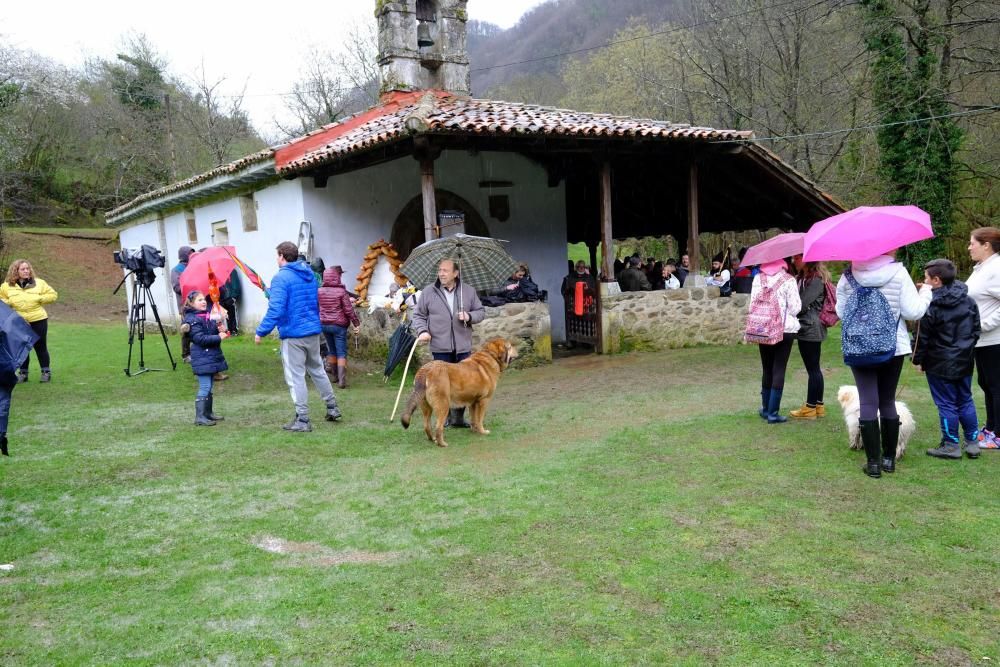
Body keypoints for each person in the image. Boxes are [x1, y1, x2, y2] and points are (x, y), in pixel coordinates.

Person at [837, 252, 932, 478]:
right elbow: (913, 311)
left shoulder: (848, 275)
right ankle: (889, 459)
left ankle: (872, 464)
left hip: (859, 346)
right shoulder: (898, 272)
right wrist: (926, 293)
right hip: (893, 346)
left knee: (868, 401)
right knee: (887, 400)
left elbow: (842, 311)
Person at [255, 241, 342, 432]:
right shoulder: (309, 274)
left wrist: (261, 331)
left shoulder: (281, 278)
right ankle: (332, 408)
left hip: (293, 334)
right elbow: (301, 300)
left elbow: (276, 309)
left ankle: (302, 419)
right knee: (317, 370)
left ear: (282, 256)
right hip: (312, 331)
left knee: (296, 377)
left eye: (277, 255)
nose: (276, 259)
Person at [912, 259, 981, 459]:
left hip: (940, 362)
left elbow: (922, 338)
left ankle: (951, 444)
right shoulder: (969, 301)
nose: (924, 281)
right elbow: (976, 330)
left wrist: (918, 360)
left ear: (936, 280)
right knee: (965, 399)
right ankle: (972, 442)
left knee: (947, 403)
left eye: (926, 278)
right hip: (963, 360)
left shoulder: (930, 304)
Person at [411, 258, 485, 428]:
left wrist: (469, 316)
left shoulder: (468, 291)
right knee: (441, 385)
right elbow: (419, 315)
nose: (441, 273)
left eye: (445, 270)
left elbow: (481, 311)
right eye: (440, 270)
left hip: (463, 346)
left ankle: (458, 419)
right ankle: (443, 418)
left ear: (455, 273)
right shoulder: (429, 292)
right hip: (440, 346)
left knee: (462, 383)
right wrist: (422, 331)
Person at [751, 259, 801, 423]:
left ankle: (765, 409)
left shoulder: (758, 278)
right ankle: (773, 413)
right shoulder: (788, 280)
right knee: (779, 368)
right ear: (782, 264)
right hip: (784, 329)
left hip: (763, 328)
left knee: (767, 368)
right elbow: (795, 308)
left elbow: (752, 303)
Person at [965, 227, 1000, 449]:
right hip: (981, 340)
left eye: (972, 243)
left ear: (986, 245)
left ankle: (998, 434)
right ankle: (989, 427)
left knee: (997, 385)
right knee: (986, 383)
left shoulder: (996, 268)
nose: (969, 247)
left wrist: (985, 325)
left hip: (995, 339)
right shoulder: (982, 268)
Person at [0, 260, 58, 383]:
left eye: (27, 268)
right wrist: (9, 302)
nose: (26, 271)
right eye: (23, 269)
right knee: (22, 347)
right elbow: (1, 299)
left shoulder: (39, 283)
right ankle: (23, 373)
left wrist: (39, 298)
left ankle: (46, 372)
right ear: (16, 271)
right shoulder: (6, 286)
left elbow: (53, 295)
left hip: (38, 319)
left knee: (40, 346)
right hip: (18, 321)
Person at [789, 255, 831, 420]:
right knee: (814, 368)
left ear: (808, 259)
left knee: (812, 369)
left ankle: (810, 407)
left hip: (811, 328)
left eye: (797, 258)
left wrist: (789, 306)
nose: (794, 261)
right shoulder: (805, 278)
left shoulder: (815, 280)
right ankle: (818, 405)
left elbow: (802, 303)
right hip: (810, 327)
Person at [183, 291, 230, 426]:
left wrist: (219, 328)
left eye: (204, 299)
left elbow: (210, 332)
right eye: (199, 300)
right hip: (201, 357)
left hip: (209, 357)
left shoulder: (207, 316)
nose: (204, 302)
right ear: (191, 304)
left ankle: (208, 413)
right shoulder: (192, 319)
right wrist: (218, 337)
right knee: (205, 386)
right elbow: (200, 339)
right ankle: (200, 417)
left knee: (209, 386)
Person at [318, 265, 361, 389]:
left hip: (324, 324)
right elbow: (348, 310)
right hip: (339, 326)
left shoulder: (319, 291)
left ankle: (335, 377)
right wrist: (356, 323)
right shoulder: (341, 291)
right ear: (337, 277)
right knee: (341, 352)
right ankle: (342, 381)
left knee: (332, 350)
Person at [219, 268, 241, 336]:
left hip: (230, 297)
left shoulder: (232, 271)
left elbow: (236, 284)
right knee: (225, 315)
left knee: (232, 314)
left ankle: (234, 330)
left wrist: (233, 296)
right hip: (222, 297)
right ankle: (228, 331)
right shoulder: (218, 272)